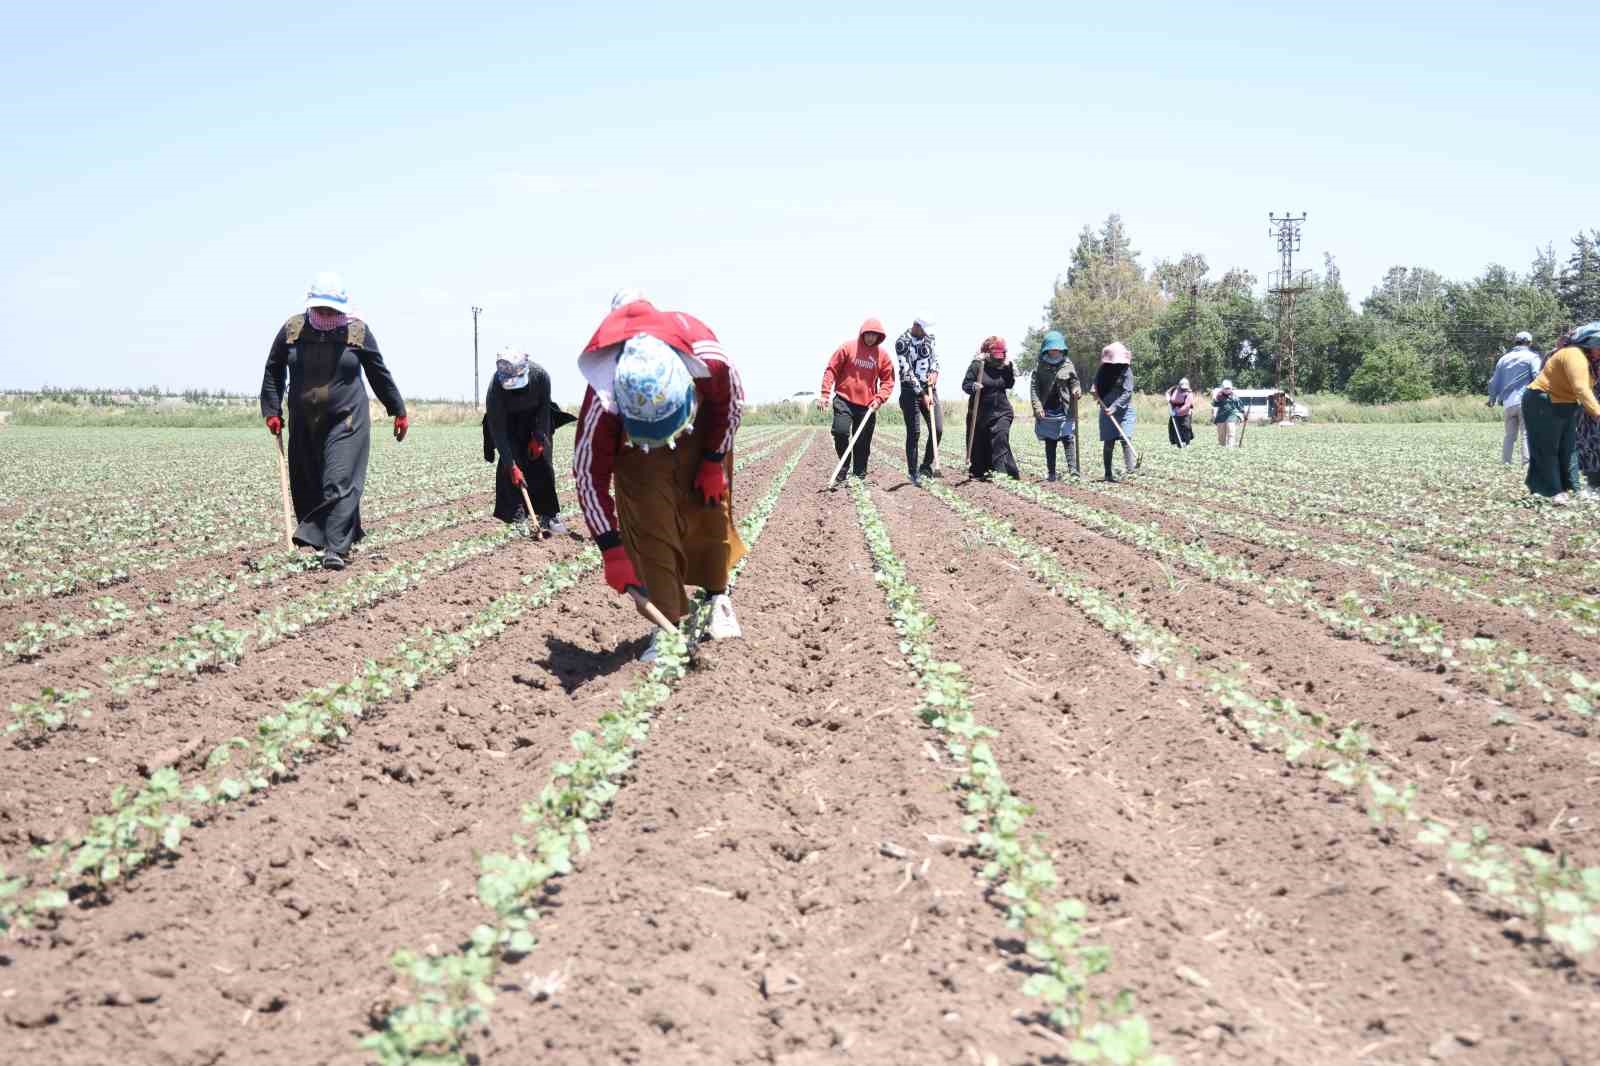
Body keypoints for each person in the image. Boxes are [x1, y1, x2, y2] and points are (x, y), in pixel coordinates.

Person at [573, 291, 745, 659]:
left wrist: (714, 459)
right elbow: (588, 473)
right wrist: (611, 549)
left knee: (710, 509)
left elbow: (731, 404)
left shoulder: (706, 357)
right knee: (648, 521)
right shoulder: (602, 400)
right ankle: (668, 625)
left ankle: (717, 598)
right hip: (635, 454)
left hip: (699, 432)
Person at [260, 272, 407, 571]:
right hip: (304, 420)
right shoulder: (293, 329)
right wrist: (272, 410)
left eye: (332, 309)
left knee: (338, 481)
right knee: (307, 481)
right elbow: (274, 370)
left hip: (347, 419)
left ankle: (335, 549)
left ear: (343, 308)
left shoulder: (357, 332)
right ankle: (329, 538)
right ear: (310, 305)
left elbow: (379, 373)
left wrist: (398, 410)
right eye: (320, 308)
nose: (326, 314)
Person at [483, 349, 574, 534]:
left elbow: (543, 409)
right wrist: (511, 465)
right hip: (508, 424)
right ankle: (517, 515)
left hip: (536, 420)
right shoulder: (495, 390)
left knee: (543, 462)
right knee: (512, 466)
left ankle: (549, 514)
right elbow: (499, 431)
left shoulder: (540, 376)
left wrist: (539, 437)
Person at [1524, 322, 1600, 503]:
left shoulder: (1589, 360)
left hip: (1565, 404)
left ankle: (1572, 488)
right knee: (1548, 448)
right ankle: (1552, 491)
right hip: (1542, 401)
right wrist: (1597, 413)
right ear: (1589, 343)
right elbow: (1581, 388)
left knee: (1569, 448)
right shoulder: (1574, 355)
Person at [818, 318, 895, 488]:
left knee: (862, 441)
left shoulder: (882, 356)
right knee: (840, 431)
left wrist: (879, 398)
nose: (870, 338)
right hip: (844, 399)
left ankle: (860, 474)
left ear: (879, 337)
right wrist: (824, 394)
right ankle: (844, 466)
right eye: (868, 334)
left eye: (874, 335)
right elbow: (831, 369)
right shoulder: (847, 348)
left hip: (867, 405)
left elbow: (888, 381)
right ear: (863, 333)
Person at [962, 336, 1020, 480]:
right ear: (987, 353)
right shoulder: (977, 365)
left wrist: (1010, 369)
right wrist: (974, 386)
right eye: (995, 357)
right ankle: (983, 471)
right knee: (980, 444)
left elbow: (1009, 384)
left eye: (1001, 357)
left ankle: (1002, 472)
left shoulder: (1005, 366)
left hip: (1002, 411)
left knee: (1000, 438)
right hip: (980, 413)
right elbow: (966, 385)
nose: (998, 360)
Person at [895, 318, 941, 484]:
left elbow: (935, 359)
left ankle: (926, 466)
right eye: (924, 329)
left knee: (938, 428)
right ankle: (913, 473)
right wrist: (922, 395)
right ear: (916, 326)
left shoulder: (930, 338)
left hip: (929, 388)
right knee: (914, 433)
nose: (926, 333)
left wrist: (935, 372)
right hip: (910, 391)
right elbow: (906, 372)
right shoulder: (902, 342)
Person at [1487, 331, 1543, 465]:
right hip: (1526, 401)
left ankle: (1506, 462)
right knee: (1526, 434)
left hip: (1508, 403)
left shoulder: (1503, 359)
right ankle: (1527, 463)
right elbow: (1537, 376)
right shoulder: (1532, 357)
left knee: (1510, 435)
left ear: (1515, 342)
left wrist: (1492, 398)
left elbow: (1493, 382)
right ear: (1529, 343)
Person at [1030, 330, 1080, 480]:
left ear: (1061, 349)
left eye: (1057, 348)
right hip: (1047, 409)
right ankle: (1051, 473)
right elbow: (1034, 388)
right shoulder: (1040, 367)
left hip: (1065, 408)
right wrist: (1037, 407)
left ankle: (1073, 471)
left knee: (1068, 438)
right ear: (1046, 349)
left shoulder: (1067, 364)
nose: (1055, 351)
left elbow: (1074, 381)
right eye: (1052, 348)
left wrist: (1076, 389)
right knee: (1050, 442)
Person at [1091, 341, 1136, 481]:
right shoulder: (1102, 369)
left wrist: (1115, 406)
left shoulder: (1126, 370)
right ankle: (1108, 474)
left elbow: (1128, 392)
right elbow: (1095, 385)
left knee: (1125, 438)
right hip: (1106, 409)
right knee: (1109, 441)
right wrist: (1094, 391)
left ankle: (1130, 471)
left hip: (1124, 409)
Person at [1212, 380, 1245, 447]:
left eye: (1228, 388)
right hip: (1221, 417)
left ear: (1231, 388)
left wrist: (1244, 414)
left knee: (1231, 433)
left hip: (1231, 417)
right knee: (1221, 435)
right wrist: (1215, 399)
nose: (1227, 390)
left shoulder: (1235, 397)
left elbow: (1240, 406)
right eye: (1226, 388)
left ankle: (1230, 448)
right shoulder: (1219, 396)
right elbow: (1214, 404)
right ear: (1223, 388)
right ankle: (1222, 447)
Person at [1166, 378, 1195, 447]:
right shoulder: (1174, 389)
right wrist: (1168, 398)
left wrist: (1177, 412)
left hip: (1185, 414)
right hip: (1174, 413)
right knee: (1176, 429)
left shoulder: (1189, 393)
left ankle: (1187, 443)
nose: (1183, 389)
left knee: (1186, 428)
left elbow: (1187, 405)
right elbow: (1167, 393)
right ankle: (1179, 444)